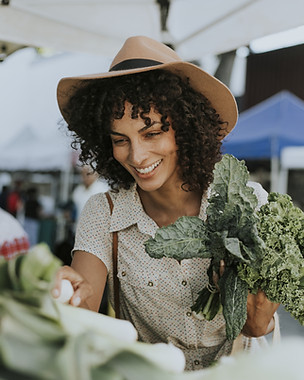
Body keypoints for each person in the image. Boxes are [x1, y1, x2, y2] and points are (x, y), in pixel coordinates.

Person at [53, 36, 279, 371]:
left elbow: (256, 325)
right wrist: (64, 293)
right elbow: (82, 306)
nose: (137, 155)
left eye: (152, 133)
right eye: (120, 140)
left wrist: (261, 317)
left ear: (186, 126)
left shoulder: (247, 204)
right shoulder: (104, 213)